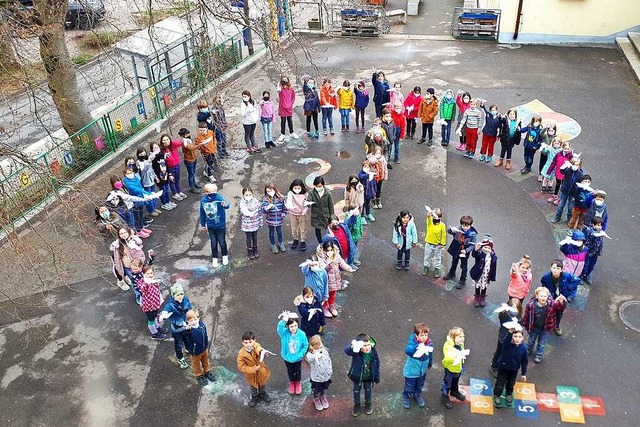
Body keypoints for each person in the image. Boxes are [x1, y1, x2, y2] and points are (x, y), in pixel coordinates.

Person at [522, 287, 565, 363]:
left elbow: (560, 308)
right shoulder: (531, 305)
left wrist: (561, 303)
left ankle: (539, 355)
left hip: (545, 328)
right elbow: (527, 316)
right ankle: (528, 350)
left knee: (542, 343)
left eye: (545, 296)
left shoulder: (552, 305)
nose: (543, 298)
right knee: (531, 340)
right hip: (534, 327)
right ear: (537, 296)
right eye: (541, 296)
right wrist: (525, 325)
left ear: (547, 297)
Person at [541, 259, 581, 336]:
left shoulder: (567, 276)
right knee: (548, 311)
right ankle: (547, 324)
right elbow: (544, 286)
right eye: (554, 268)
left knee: (559, 313)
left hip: (562, 298)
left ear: (561, 269)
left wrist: (568, 289)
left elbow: (577, 280)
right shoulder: (545, 277)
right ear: (550, 267)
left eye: (558, 268)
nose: (555, 270)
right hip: (551, 297)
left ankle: (556, 326)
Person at [316, 241, 355, 318]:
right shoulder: (321, 258)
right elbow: (322, 270)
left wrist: (348, 268)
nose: (330, 252)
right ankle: (325, 308)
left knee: (332, 295)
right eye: (327, 250)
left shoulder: (336, 255)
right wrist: (329, 265)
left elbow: (342, 263)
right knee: (325, 296)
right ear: (324, 250)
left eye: (331, 250)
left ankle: (331, 306)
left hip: (335, 280)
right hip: (326, 281)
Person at [345, 333, 380, 417]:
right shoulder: (356, 353)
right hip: (357, 377)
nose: (367, 347)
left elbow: (377, 364)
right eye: (364, 345)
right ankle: (357, 404)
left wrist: (377, 376)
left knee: (368, 390)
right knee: (356, 391)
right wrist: (353, 346)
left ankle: (368, 403)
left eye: (368, 345)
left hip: (369, 376)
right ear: (360, 346)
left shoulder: (373, 352)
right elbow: (347, 351)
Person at [159, 283, 192, 370]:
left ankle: (188, 348)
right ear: (173, 295)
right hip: (176, 329)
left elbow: (189, 310)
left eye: (181, 294)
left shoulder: (186, 300)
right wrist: (163, 315)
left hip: (185, 325)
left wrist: (191, 318)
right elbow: (166, 310)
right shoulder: (171, 305)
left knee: (187, 338)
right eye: (178, 295)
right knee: (178, 343)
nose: (180, 296)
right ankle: (180, 358)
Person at [493, 328, 528, 408]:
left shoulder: (523, 348)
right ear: (512, 337)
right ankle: (497, 395)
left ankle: (509, 394)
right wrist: (510, 332)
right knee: (500, 383)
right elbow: (506, 340)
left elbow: (524, 361)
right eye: (515, 336)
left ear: (522, 338)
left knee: (511, 383)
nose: (517, 339)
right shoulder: (507, 345)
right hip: (503, 368)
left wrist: (523, 373)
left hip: (514, 370)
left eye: (519, 337)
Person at [402, 323, 434, 409]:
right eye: (422, 335)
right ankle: (406, 397)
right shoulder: (413, 344)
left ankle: (417, 395)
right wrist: (417, 347)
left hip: (422, 371)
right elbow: (408, 350)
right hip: (411, 372)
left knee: (419, 385)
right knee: (409, 386)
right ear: (416, 335)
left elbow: (430, 354)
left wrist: (430, 362)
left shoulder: (429, 343)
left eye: (426, 335)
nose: (424, 337)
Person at [277, 311, 309, 395]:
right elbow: (279, 328)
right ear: (287, 327)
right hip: (287, 358)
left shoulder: (302, 334)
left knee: (297, 370)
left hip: (298, 358)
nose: (294, 328)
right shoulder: (284, 334)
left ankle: (297, 382)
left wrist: (301, 354)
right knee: (290, 370)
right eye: (291, 326)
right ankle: (292, 382)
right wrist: (284, 320)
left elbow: (305, 345)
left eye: (295, 326)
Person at [237, 331, 272, 408]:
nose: (248, 344)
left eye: (250, 342)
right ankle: (255, 396)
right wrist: (253, 369)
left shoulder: (256, 346)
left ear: (254, 341)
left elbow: (258, 349)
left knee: (262, 383)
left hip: (261, 371)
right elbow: (241, 367)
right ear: (242, 342)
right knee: (253, 386)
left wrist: (262, 352)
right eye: (246, 342)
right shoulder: (241, 353)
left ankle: (262, 393)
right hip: (251, 374)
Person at [199, 183, 231, 268]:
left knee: (222, 241)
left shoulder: (219, 197)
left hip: (220, 225)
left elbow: (227, 205)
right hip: (210, 226)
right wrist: (203, 224)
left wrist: (226, 204)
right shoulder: (203, 200)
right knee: (213, 242)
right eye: (210, 191)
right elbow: (202, 213)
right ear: (206, 192)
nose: (213, 193)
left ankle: (225, 256)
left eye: (214, 191)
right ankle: (215, 257)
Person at [443, 215, 478, 289]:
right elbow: (449, 231)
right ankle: (451, 273)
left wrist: (466, 251)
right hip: (456, 248)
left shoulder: (472, 234)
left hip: (464, 251)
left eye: (467, 226)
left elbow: (472, 245)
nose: (465, 228)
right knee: (454, 262)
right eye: (463, 225)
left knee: (464, 266)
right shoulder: (458, 229)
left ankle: (462, 280)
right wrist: (451, 230)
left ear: (470, 225)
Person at [490, 299, 522, 378]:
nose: (514, 310)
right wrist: (505, 311)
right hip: (503, 338)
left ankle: (505, 365)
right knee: (499, 352)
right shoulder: (505, 315)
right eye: (512, 308)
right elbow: (502, 319)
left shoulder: (518, 316)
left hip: (512, 339)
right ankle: (494, 366)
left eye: (516, 308)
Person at [184, 309, 216, 386]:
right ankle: (199, 375)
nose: (194, 322)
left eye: (195, 319)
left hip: (204, 348)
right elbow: (187, 335)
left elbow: (205, 335)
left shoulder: (201, 325)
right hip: (195, 352)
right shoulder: (190, 330)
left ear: (198, 319)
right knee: (196, 364)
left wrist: (206, 345)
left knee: (205, 361)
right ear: (188, 322)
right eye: (191, 320)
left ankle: (207, 371)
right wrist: (187, 331)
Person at [110, 226, 145, 291]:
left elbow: (139, 243)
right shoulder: (117, 245)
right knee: (134, 282)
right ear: (118, 235)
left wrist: (134, 237)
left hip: (136, 265)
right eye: (121, 233)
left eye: (125, 232)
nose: (123, 235)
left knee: (142, 280)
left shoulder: (132, 241)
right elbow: (114, 252)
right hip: (127, 267)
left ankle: (144, 293)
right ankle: (138, 296)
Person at [137, 265, 168, 341]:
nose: (150, 275)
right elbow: (142, 289)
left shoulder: (153, 281)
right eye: (147, 274)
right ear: (143, 274)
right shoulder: (141, 282)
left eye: (151, 273)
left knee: (154, 317)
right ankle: (154, 334)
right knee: (151, 320)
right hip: (148, 306)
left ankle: (157, 328)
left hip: (155, 304)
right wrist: (147, 283)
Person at [441, 327, 468, 409]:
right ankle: (444, 395)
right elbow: (448, 358)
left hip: (458, 367)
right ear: (453, 337)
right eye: (460, 337)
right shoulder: (448, 345)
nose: (462, 339)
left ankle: (454, 391)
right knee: (447, 382)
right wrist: (457, 355)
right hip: (450, 369)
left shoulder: (460, 343)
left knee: (455, 380)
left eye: (463, 336)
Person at [552, 157, 584, 223]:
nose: (575, 166)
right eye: (574, 164)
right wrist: (566, 165)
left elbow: (580, 186)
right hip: (565, 191)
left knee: (570, 207)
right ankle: (557, 217)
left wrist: (577, 195)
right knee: (560, 205)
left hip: (573, 193)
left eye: (577, 165)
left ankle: (569, 219)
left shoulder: (580, 175)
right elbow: (561, 171)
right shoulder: (568, 170)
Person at [469, 235, 498, 307]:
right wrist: (476, 249)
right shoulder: (480, 253)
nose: (487, 249)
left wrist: (492, 276)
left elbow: (494, 267)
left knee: (484, 286)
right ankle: (477, 296)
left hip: (486, 275)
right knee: (477, 285)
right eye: (485, 247)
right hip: (479, 274)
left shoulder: (493, 256)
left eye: (489, 248)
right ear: (482, 247)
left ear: (491, 248)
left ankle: (482, 297)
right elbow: (474, 255)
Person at [306, 335, 333, 411]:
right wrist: (315, 356)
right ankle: (316, 399)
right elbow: (309, 358)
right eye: (317, 348)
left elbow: (328, 361)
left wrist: (330, 371)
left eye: (321, 347)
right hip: (316, 378)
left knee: (323, 388)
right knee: (316, 390)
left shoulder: (324, 351)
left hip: (325, 377)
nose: (320, 349)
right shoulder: (310, 355)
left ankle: (322, 396)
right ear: (312, 347)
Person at [159, 134, 187, 201]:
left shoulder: (173, 145)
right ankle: (175, 193)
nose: (166, 141)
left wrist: (184, 140)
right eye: (164, 140)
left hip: (177, 165)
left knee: (177, 179)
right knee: (172, 181)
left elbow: (181, 142)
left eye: (167, 139)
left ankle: (179, 191)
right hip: (170, 168)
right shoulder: (162, 150)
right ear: (162, 141)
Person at [285, 179, 311, 251]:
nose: (296, 190)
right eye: (295, 188)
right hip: (292, 213)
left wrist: (305, 210)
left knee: (303, 228)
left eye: (298, 188)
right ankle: (295, 239)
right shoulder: (290, 193)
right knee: (294, 228)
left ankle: (303, 240)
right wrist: (289, 206)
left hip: (302, 213)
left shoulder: (305, 193)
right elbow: (289, 201)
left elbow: (307, 203)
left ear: (301, 187)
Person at [262, 183, 287, 254]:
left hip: (279, 219)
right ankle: (273, 245)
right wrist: (267, 208)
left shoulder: (281, 197)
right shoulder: (265, 199)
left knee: (279, 231)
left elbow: (285, 207)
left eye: (271, 190)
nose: (270, 192)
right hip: (270, 219)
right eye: (268, 191)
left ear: (274, 189)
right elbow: (263, 210)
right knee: (271, 232)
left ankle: (280, 243)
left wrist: (283, 214)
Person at [546, 140, 574, 204]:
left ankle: (561, 199)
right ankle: (555, 196)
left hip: (565, 175)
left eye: (568, 149)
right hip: (558, 173)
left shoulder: (571, 156)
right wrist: (549, 171)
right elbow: (554, 162)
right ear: (562, 148)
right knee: (557, 184)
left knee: (563, 186)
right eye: (565, 148)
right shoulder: (558, 154)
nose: (566, 150)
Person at [308, 176, 334, 244]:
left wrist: (332, 217)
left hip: (326, 215)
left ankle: (328, 243)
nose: (318, 187)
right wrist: (307, 203)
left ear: (323, 185)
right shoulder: (311, 192)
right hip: (316, 215)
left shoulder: (327, 193)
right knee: (317, 230)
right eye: (317, 186)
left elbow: (331, 205)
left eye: (320, 186)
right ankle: (321, 243)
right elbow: (309, 200)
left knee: (328, 230)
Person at [422, 207, 446, 278]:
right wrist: (429, 215)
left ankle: (437, 268)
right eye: (435, 217)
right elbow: (428, 219)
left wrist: (442, 243)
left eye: (439, 217)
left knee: (437, 257)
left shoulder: (442, 225)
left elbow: (443, 235)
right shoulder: (430, 222)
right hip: (429, 243)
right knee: (427, 256)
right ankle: (426, 266)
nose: (437, 219)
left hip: (437, 245)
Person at [581, 218, 606, 285]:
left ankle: (586, 275)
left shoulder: (600, 232)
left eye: (600, 225)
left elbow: (600, 243)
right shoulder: (589, 230)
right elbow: (589, 238)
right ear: (593, 224)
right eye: (598, 225)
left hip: (595, 253)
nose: (599, 227)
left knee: (591, 265)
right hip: (588, 252)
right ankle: (581, 276)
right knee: (585, 265)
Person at [240, 187, 263, 260]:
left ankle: (255, 249)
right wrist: (251, 214)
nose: (248, 196)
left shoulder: (256, 201)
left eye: (250, 194)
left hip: (255, 223)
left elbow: (260, 211)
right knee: (249, 238)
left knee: (255, 237)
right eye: (246, 195)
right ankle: (249, 251)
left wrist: (261, 222)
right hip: (247, 225)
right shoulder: (242, 203)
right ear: (243, 195)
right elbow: (244, 211)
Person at [178, 127, 203, 194]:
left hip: (193, 158)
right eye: (186, 134)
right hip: (189, 160)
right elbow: (191, 148)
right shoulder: (184, 142)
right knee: (191, 174)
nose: (188, 134)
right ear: (183, 135)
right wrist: (200, 145)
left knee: (193, 173)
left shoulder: (188, 140)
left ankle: (194, 184)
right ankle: (192, 187)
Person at [277, 76, 298, 142]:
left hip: (289, 107)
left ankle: (292, 132)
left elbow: (293, 97)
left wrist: (291, 103)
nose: (284, 81)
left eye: (286, 80)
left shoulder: (290, 88)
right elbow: (278, 90)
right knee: (283, 121)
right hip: (282, 107)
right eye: (283, 80)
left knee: (290, 120)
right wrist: (278, 84)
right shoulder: (280, 89)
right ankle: (282, 134)